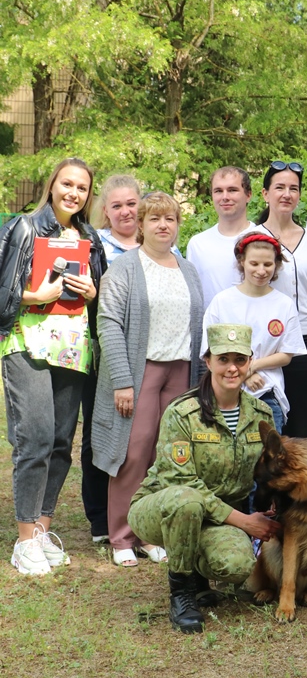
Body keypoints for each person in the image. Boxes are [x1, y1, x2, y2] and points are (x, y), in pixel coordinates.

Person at [127, 324, 279, 634]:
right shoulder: (182, 413)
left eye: (240, 359)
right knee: (188, 502)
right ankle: (182, 592)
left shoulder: (262, 414)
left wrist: (271, 510)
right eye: (223, 359)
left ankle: (198, 569)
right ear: (208, 362)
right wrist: (245, 522)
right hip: (163, 508)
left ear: (250, 362)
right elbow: (180, 483)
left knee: (237, 567)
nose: (232, 368)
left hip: (220, 517)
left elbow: (270, 473)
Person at [0, 157, 106, 575]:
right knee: (37, 437)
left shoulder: (89, 236)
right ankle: (24, 541)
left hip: (72, 347)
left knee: (62, 442)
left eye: (81, 187)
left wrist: (93, 289)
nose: (73, 193)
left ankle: (42, 531)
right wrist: (35, 295)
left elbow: (98, 296)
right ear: (53, 185)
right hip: (27, 344)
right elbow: (3, 291)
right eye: (67, 184)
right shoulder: (25, 228)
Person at [93, 192, 205, 567]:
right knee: (134, 452)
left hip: (182, 371)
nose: (162, 225)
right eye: (154, 218)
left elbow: (198, 326)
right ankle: (122, 537)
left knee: (167, 456)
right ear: (140, 225)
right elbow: (107, 324)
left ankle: (151, 534)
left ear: (177, 226)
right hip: (141, 372)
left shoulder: (187, 268)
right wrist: (122, 381)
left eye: (170, 219)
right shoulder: (125, 268)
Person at [79, 173, 143, 544]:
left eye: (131, 204)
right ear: (106, 210)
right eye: (116, 205)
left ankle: (137, 512)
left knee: (140, 436)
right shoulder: (92, 245)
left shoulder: (158, 244)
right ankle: (100, 518)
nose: (125, 211)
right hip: (103, 354)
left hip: (149, 356)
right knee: (99, 433)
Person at [255, 160, 307, 437]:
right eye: (279, 187)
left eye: (293, 188)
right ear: (265, 194)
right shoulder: (251, 238)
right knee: (268, 429)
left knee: (303, 428)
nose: (286, 194)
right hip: (267, 344)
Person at [203, 231, 306, 432]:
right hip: (225, 393)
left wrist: (253, 366)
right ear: (242, 262)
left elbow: (286, 354)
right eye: (254, 264)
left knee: (267, 459)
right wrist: (244, 374)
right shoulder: (222, 302)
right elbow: (211, 352)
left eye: (268, 264)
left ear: (276, 265)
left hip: (268, 392)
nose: (261, 270)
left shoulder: (284, 304)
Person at [187, 167, 255, 310]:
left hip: (256, 328)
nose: (225, 197)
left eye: (232, 190)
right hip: (212, 329)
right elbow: (194, 297)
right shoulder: (198, 244)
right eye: (218, 191)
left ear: (248, 195)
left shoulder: (263, 239)